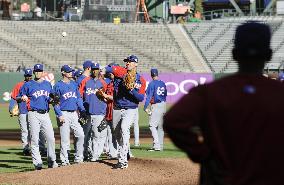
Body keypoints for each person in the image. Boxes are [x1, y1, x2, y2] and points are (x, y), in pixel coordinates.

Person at [163, 22, 284, 185]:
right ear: (269, 55)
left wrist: (202, 154)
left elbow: (173, 121)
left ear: (234, 54)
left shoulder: (208, 92)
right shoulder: (279, 92)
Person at [105, 55, 146, 169]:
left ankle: (122, 161)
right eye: (127, 61)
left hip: (130, 109)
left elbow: (141, 98)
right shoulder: (121, 71)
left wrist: (131, 90)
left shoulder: (141, 80)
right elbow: (109, 68)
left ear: (136, 64)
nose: (128, 63)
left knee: (124, 129)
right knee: (117, 134)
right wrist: (109, 70)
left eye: (130, 61)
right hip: (117, 107)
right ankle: (125, 150)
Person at [20, 64, 58, 170]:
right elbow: (18, 96)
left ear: (42, 72)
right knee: (35, 139)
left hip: (45, 114)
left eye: (39, 70)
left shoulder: (47, 84)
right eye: (36, 71)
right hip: (33, 114)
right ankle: (38, 163)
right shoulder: (28, 84)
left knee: (51, 138)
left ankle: (51, 161)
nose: (37, 72)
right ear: (33, 72)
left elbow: (50, 98)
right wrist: (22, 97)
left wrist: (53, 100)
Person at [52, 65, 86, 166]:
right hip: (63, 113)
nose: (71, 73)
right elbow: (55, 102)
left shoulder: (74, 84)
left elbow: (78, 98)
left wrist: (82, 110)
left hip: (74, 114)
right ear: (63, 73)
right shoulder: (58, 86)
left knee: (81, 135)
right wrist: (59, 114)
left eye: (71, 71)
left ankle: (78, 158)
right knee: (65, 139)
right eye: (68, 71)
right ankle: (64, 160)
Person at [10, 69, 46, 155]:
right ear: (25, 76)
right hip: (23, 111)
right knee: (25, 131)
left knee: (39, 130)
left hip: (35, 111)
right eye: (27, 76)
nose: (29, 77)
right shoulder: (19, 85)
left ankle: (42, 148)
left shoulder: (36, 84)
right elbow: (14, 98)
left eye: (30, 76)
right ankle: (26, 148)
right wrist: (11, 108)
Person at [83, 62, 108, 162]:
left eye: (96, 69)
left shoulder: (103, 83)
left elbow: (107, 97)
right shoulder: (87, 82)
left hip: (99, 112)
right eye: (93, 69)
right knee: (89, 135)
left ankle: (95, 155)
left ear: (99, 70)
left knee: (97, 134)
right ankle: (93, 154)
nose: (95, 70)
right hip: (89, 112)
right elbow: (83, 96)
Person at [144, 68, 167, 151]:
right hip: (163, 104)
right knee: (160, 127)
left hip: (156, 105)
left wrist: (145, 106)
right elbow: (165, 95)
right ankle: (160, 146)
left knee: (152, 125)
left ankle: (156, 146)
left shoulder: (152, 83)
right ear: (157, 74)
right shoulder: (162, 83)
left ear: (151, 75)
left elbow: (149, 96)